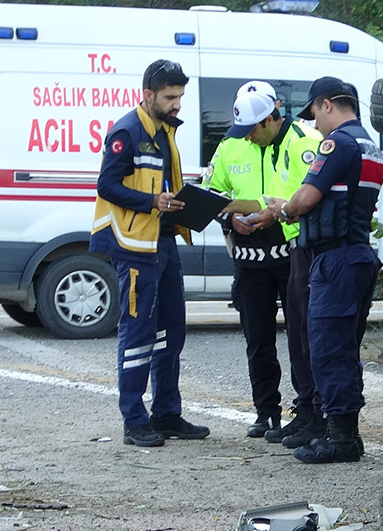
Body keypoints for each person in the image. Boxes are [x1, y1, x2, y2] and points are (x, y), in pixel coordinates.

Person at [251, 76, 383, 464]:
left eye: (314, 113)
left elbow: (307, 198)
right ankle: (343, 431)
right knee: (344, 345)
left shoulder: (337, 143)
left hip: (335, 258)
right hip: (358, 253)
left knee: (328, 347)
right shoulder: (370, 145)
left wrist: (283, 209)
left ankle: (341, 436)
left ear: (327, 104)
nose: (314, 124)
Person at [90, 59, 210, 447]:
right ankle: (134, 420)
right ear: (148, 95)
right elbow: (107, 186)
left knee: (171, 331)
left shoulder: (164, 130)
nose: (177, 105)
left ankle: (166, 413)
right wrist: (152, 201)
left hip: (164, 240)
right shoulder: (127, 131)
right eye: (170, 97)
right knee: (138, 333)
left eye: (180, 97)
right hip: (134, 245)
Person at [205, 84, 322, 439]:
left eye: (253, 130)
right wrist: (228, 219)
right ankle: (265, 412)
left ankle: (308, 410)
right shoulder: (231, 144)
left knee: (302, 338)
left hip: (291, 254)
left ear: (272, 116)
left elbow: (312, 193)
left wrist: (279, 213)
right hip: (248, 257)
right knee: (257, 339)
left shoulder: (304, 139)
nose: (249, 138)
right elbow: (209, 189)